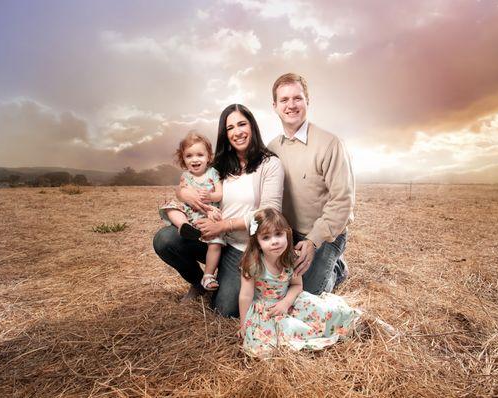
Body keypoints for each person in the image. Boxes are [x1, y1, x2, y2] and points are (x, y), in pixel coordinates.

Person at [153, 104, 284, 317]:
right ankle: (199, 282)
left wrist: (222, 225)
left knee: (224, 309)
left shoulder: (269, 164)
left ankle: (222, 277)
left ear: (252, 126)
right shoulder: (221, 164)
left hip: (243, 247)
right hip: (215, 239)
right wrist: (183, 193)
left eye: (242, 124)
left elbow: (270, 213)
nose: (237, 132)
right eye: (230, 127)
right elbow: (192, 179)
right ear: (225, 133)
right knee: (165, 240)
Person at [267, 73, 355, 295]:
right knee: (276, 287)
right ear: (275, 106)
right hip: (289, 234)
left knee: (307, 294)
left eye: (297, 98)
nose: (291, 105)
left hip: (325, 235)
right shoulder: (271, 149)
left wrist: (313, 242)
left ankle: (337, 268)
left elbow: (343, 202)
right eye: (284, 100)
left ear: (307, 101)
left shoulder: (330, 144)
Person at [238, 208, 362, 358]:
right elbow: (245, 296)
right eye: (266, 237)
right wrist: (243, 324)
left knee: (323, 311)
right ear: (257, 242)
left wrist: (286, 303)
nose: (275, 241)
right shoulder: (253, 264)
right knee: (285, 332)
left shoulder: (291, 259)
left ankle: (352, 323)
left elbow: (297, 285)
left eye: (278, 234)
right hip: (266, 309)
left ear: (287, 234)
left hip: (290, 301)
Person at [158, 132, 224, 291]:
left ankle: (208, 275)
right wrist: (182, 193)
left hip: (208, 213)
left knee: (216, 243)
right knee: (171, 208)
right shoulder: (185, 176)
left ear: (208, 157)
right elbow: (181, 195)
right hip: (190, 214)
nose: (195, 159)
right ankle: (184, 226)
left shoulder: (213, 173)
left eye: (200, 155)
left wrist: (210, 196)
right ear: (183, 159)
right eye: (189, 156)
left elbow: (220, 193)